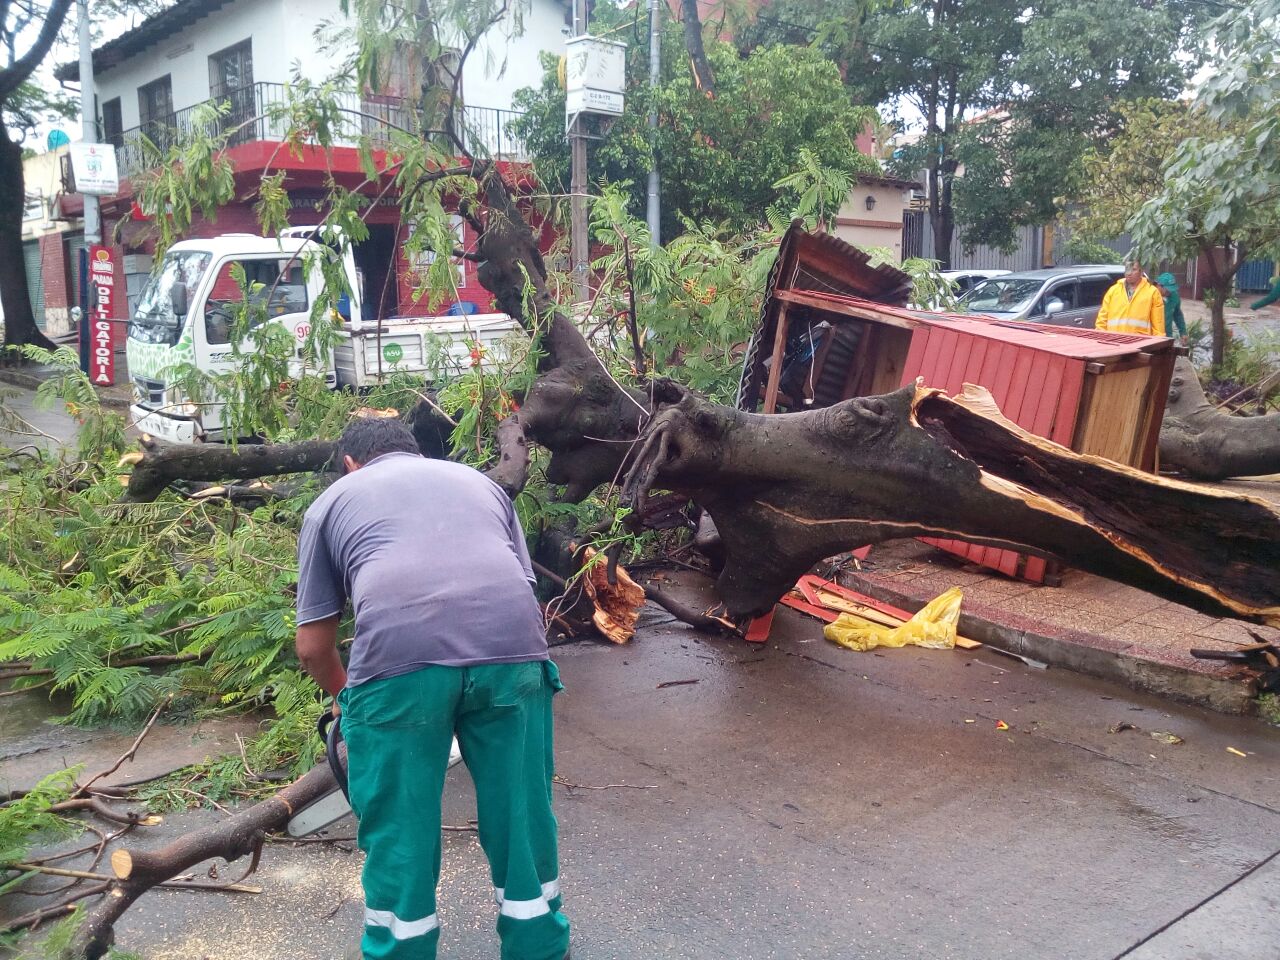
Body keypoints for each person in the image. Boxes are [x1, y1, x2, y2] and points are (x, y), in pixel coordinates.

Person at [294, 416, 569, 960]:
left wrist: (349, 698)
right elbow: (517, 588)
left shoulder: (331, 502)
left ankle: (402, 950)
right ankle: (537, 943)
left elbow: (312, 648)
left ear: (350, 463)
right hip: (513, 652)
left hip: (399, 666)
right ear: (414, 453)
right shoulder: (480, 483)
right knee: (522, 807)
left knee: (400, 821)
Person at [1095, 260, 1165, 337]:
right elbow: (1102, 320)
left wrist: (1158, 345)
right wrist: (1100, 339)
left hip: (1139, 343)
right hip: (1114, 342)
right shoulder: (1113, 291)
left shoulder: (1152, 293)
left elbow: (1158, 325)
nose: (1129, 273)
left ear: (1141, 272)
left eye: (1133, 269)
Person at [1155, 272, 1187, 343]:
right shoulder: (1151, 296)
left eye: (1172, 289)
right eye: (1167, 289)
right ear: (1159, 285)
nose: (1170, 291)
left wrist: (1183, 332)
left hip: (1167, 336)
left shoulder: (1174, 296)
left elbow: (1177, 314)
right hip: (1152, 337)